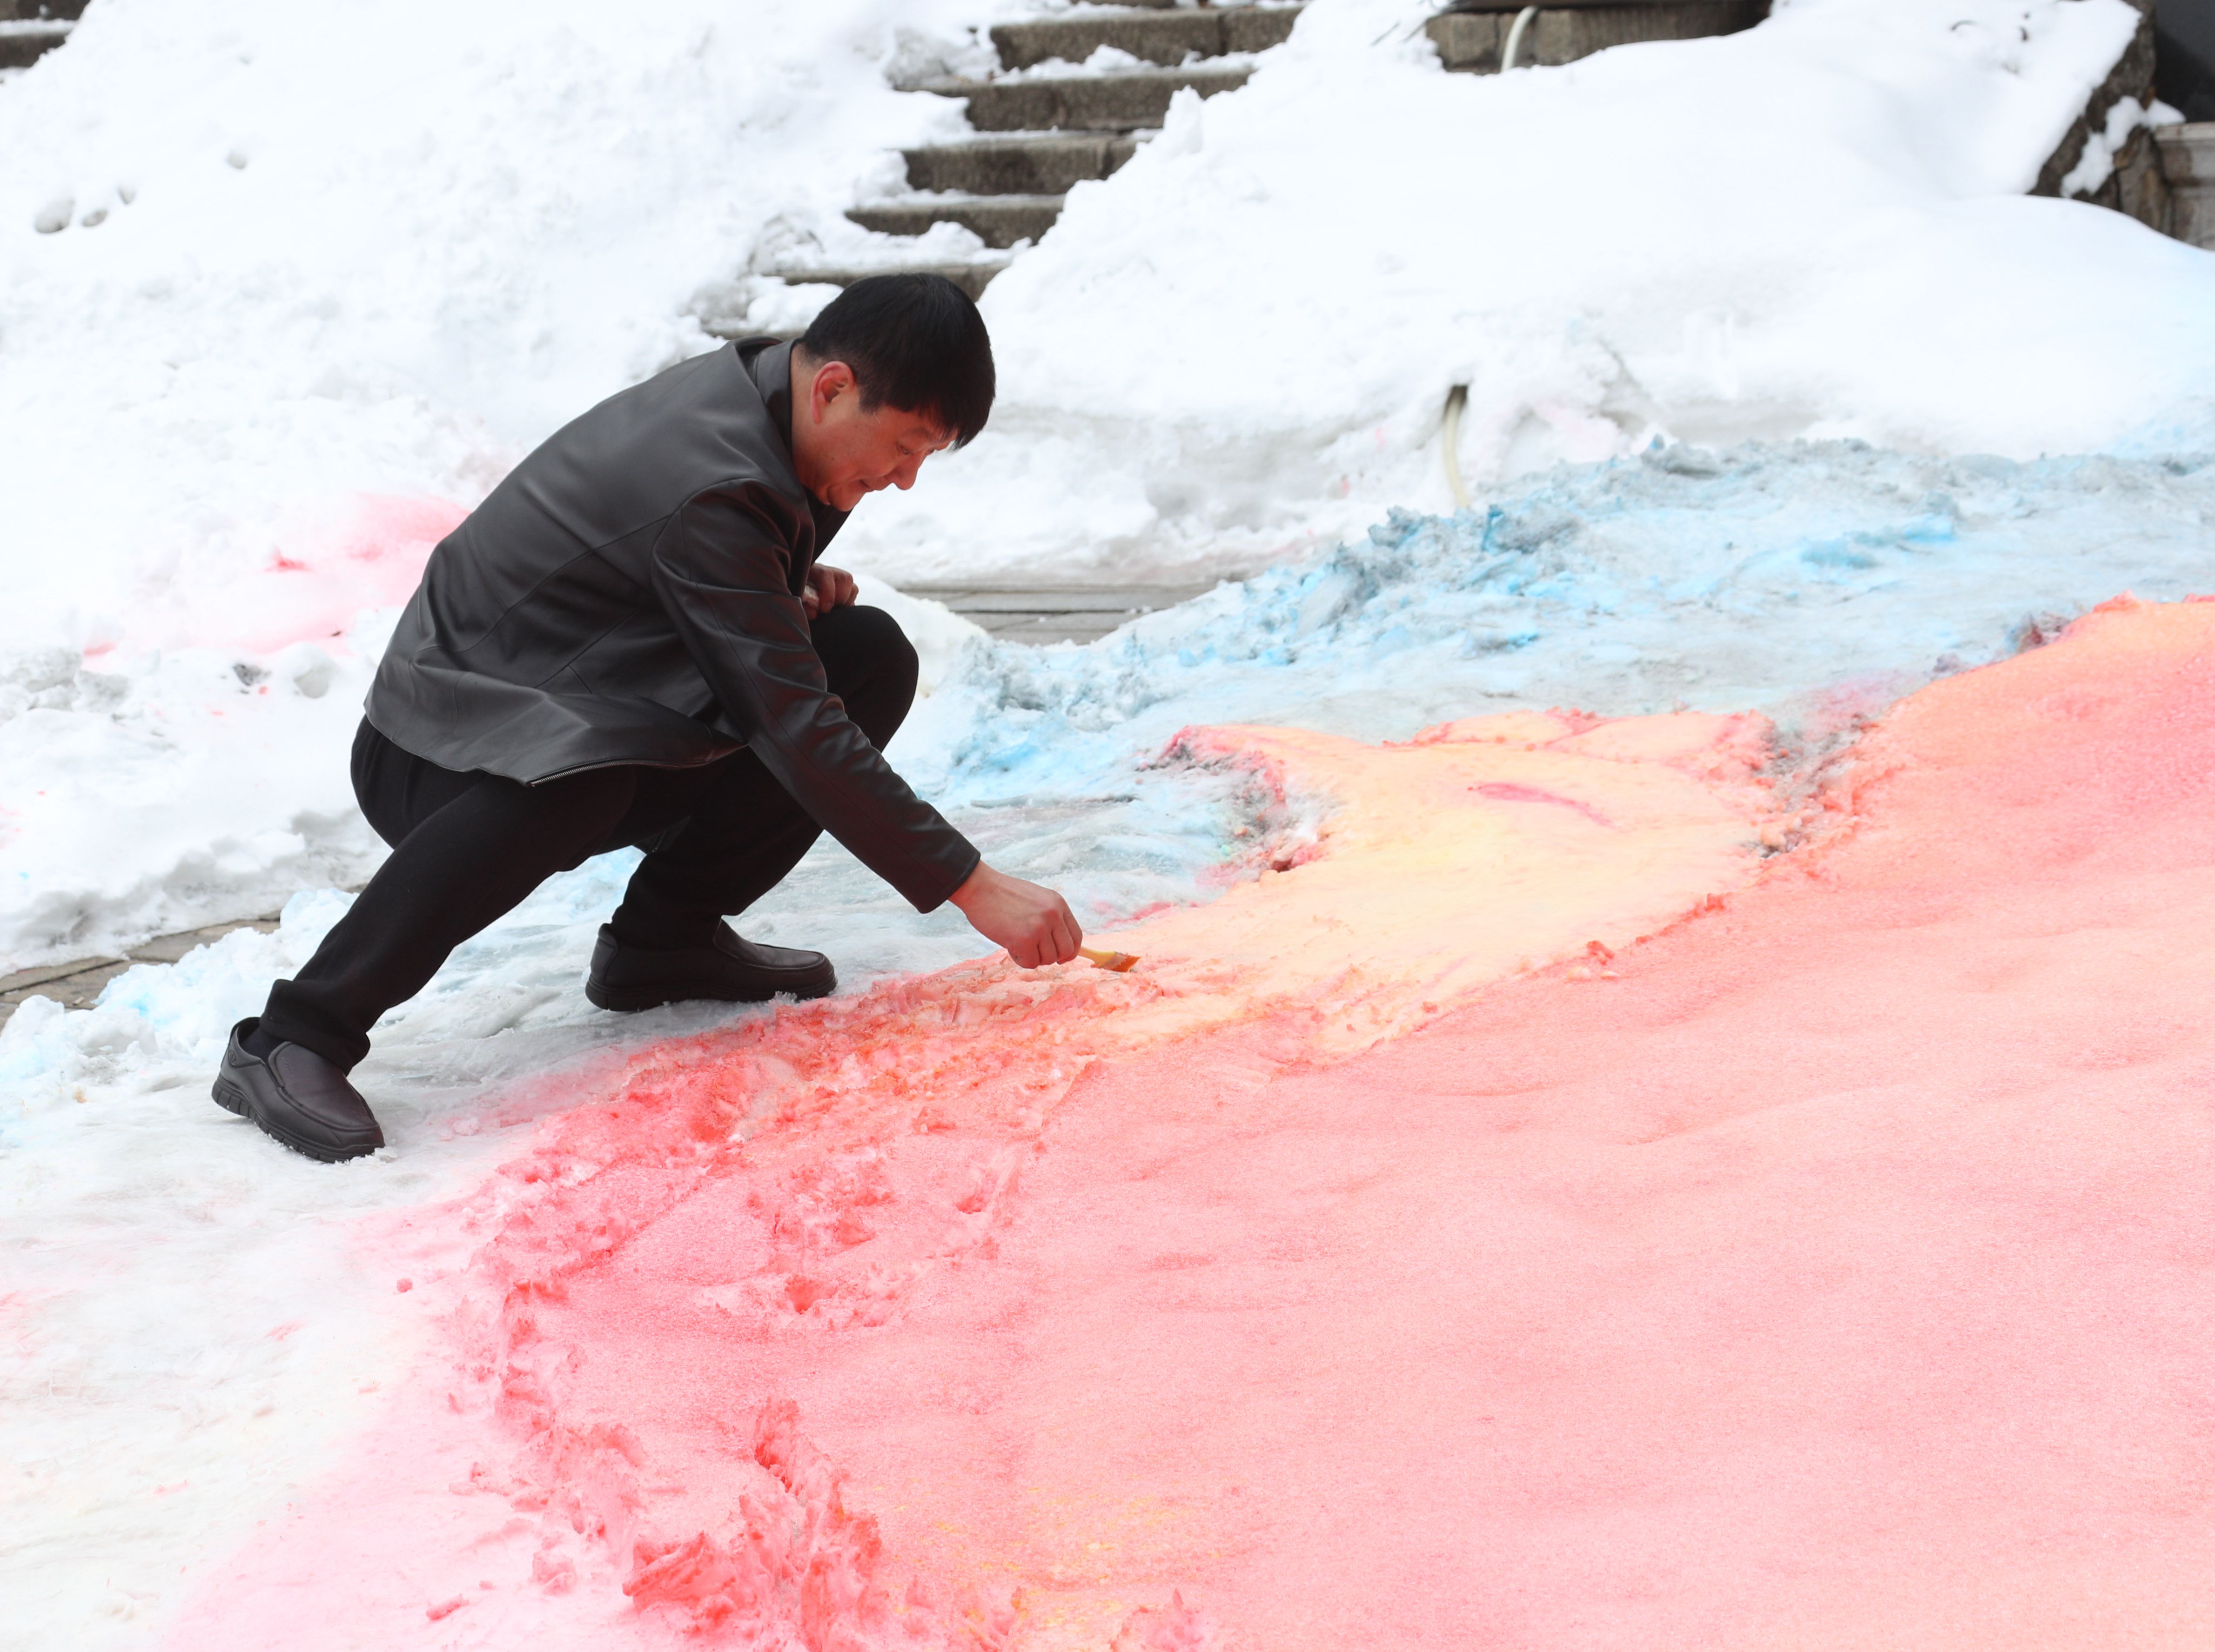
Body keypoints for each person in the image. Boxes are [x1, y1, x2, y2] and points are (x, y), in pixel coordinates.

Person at [212, 274, 1082, 1163]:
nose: (903, 480)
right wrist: (974, 885)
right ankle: (296, 1035)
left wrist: (779, 588)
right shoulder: (718, 475)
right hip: (437, 749)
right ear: (834, 388)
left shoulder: (772, 402)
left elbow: (671, 574)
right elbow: (788, 720)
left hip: (569, 703)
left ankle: (662, 946)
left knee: (866, 658)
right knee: (590, 776)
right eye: (904, 448)